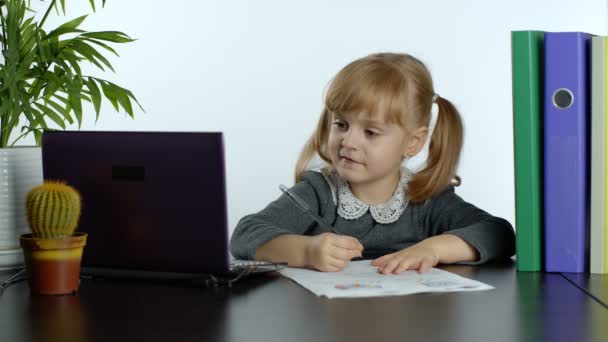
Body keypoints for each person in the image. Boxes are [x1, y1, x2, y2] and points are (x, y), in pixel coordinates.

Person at [230, 52, 515, 274]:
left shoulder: (427, 200)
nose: (348, 141)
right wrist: (306, 251)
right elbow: (245, 235)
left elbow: (499, 233)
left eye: (370, 132)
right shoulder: (318, 193)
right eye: (341, 124)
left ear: (413, 142)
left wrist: (434, 249)